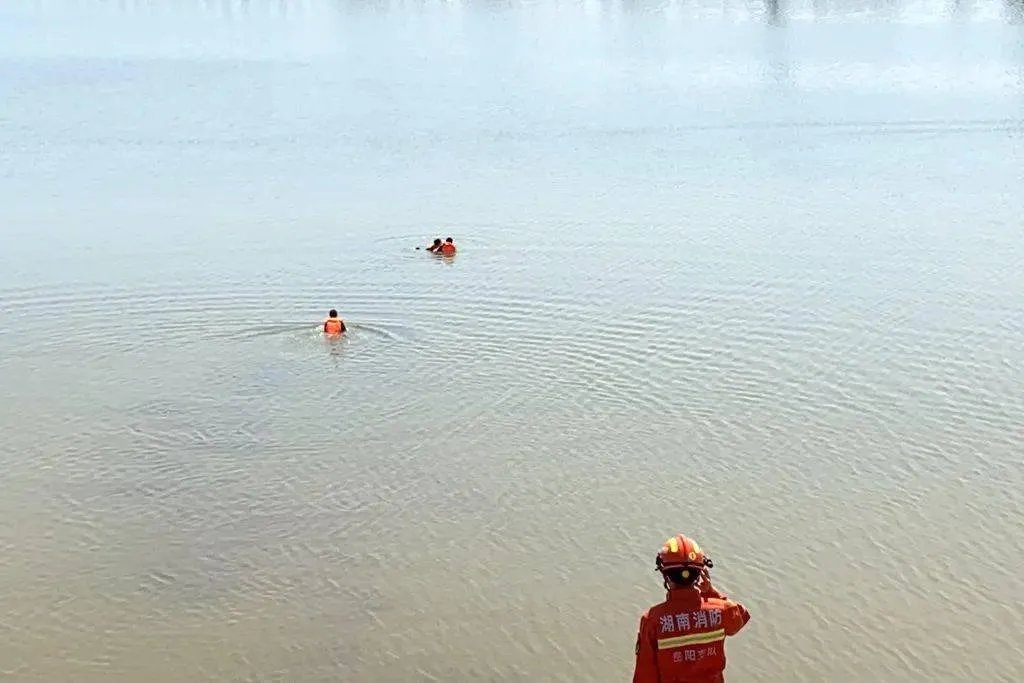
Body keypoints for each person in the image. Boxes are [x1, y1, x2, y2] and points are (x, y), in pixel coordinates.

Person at [632, 534, 750, 683]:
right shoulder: (721, 610)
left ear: (664, 574)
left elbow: (645, 675)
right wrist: (711, 592)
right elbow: (742, 616)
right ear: (701, 572)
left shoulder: (652, 620)